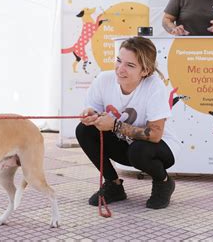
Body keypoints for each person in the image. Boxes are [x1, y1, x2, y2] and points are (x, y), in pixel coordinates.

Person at [76, 37, 180, 209]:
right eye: (119, 61)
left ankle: (163, 182)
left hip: (160, 148)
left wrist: (116, 125)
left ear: (145, 71)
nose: (120, 69)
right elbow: (93, 111)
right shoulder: (104, 80)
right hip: (126, 146)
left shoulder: (155, 87)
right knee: (84, 130)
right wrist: (91, 115)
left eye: (130, 65)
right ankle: (114, 185)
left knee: (138, 149)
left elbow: (155, 134)